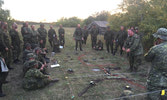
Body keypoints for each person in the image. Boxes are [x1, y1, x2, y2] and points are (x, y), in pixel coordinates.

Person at [145, 28, 167, 100]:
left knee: (152, 97)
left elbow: (147, 58)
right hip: (165, 83)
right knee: (163, 95)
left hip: (155, 82)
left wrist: (154, 46)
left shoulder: (156, 48)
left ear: (160, 38)